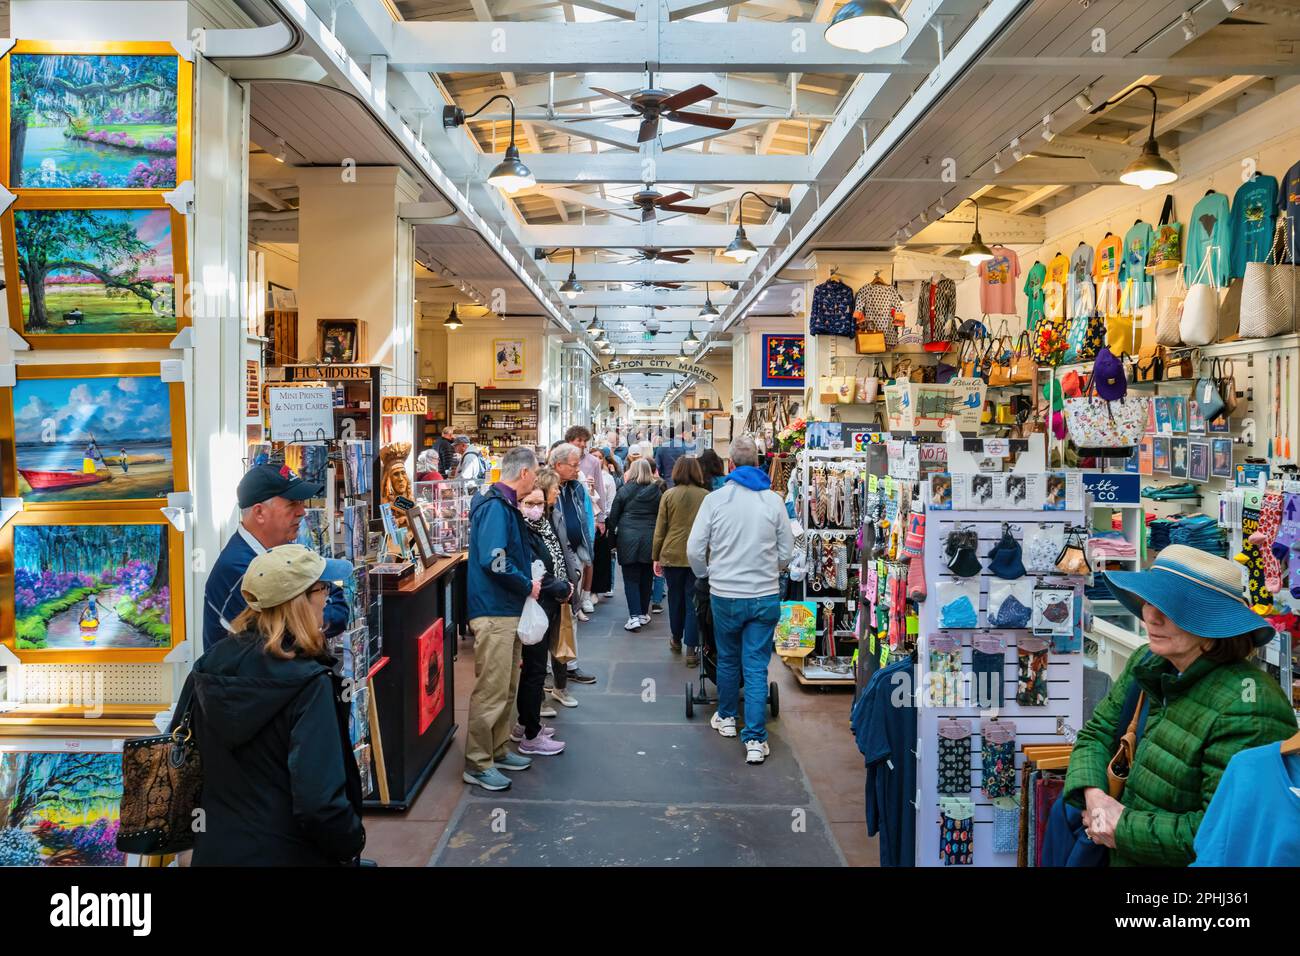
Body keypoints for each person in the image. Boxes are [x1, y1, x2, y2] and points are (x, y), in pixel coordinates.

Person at [1063, 545, 1297, 866]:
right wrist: (1095, 797)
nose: (1151, 616)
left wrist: (1122, 827)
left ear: (1213, 627)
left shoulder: (1250, 706)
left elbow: (1230, 832)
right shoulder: (1147, 661)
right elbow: (1096, 733)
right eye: (1150, 601)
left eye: (1171, 608)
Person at [183, 544, 365, 865]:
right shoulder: (309, 683)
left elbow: (186, 764)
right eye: (323, 589)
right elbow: (319, 802)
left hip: (216, 851)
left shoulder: (206, 667)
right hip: (289, 853)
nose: (327, 599)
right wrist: (351, 839)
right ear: (300, 602)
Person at [687, 436, 793, 765]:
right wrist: (771, 569)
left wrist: (706, 573)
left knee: (729, 659)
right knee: (757, 665)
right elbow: (787, 551)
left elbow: (693, 549)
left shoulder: (715, 500)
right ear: (758, 461)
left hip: (725, 595)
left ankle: (728, 718)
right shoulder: (773, 501)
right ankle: (756, 740)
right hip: (763, 597)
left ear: (730, 464)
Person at [203, 463, 348, 652]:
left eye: (302, 502)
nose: (302, 511)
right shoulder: (241, 570)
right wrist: (317, 610)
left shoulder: (282, 549)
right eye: (292, 503)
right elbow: (295, 632)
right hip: (254, 679)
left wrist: (316, 606)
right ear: (259, 512)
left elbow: (336, 602)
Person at [463, 446, 542, 791]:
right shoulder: (497, 507)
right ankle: (478, 763)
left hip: (505, 607)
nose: (537, 480)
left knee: (507, 686)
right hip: (494, 610)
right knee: (492, 689)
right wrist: (526, 584)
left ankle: (496, 749)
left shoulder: (503, 505)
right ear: (524, 473)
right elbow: (494, 560)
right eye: (536, 473)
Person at [514, 480, 574, 756]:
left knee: (535, 668)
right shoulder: (523, 532)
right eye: (530, 504)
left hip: (546, 604)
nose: (536, 509)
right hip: (535, 605)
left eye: (540, 504)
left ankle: (526, 723)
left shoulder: (542, 527)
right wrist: (562, 588)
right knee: (535, 669)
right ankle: (530, 733)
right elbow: (535, 571)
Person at [548, 443, 599, 685]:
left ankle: (570, 664)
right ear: (558, 465)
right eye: (574, 465)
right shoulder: (546, 489)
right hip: (554, 558)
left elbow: (584, 517)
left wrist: (586, 550)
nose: (578, 469)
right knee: (556, 614)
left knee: (572, 611)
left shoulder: (576, 487)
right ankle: (554, 667)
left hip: (574, 556)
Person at [653, 456, 710, 664]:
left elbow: (660, 529)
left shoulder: (668, 495)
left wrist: (656, 556)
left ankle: (676, 638)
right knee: (694, 602)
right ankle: (692, 650)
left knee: (675, 600)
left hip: (671, 554)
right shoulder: (706, 496)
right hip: (698, 555)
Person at [607, 458, 664, 632]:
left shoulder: (624, 491)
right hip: (650, 536)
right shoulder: (658, 492)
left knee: (631, 578)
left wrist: (612, 541)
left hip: (628, 537)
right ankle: (642, 613)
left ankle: (633, 616)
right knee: (647, 577)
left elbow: (613, 517)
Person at [565, 425, 604, 614]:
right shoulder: (561, 458)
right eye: (578, 440)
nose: (581, 444)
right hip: (569, 513)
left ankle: (587, 595)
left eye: (584, 441)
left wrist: (601, 518)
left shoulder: (593, 462)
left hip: (588, 513)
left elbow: (601, 490)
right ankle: (573, 597)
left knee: (588, 555)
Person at [590, 448, 617, 599]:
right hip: (588, 518)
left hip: (602, 519)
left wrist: (606, 520)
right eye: (594, 456)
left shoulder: (608, 478)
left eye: (600, 457)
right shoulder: (585, 475)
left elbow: (611, 501)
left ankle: (598, 589)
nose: (597, 460)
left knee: (601, 556)